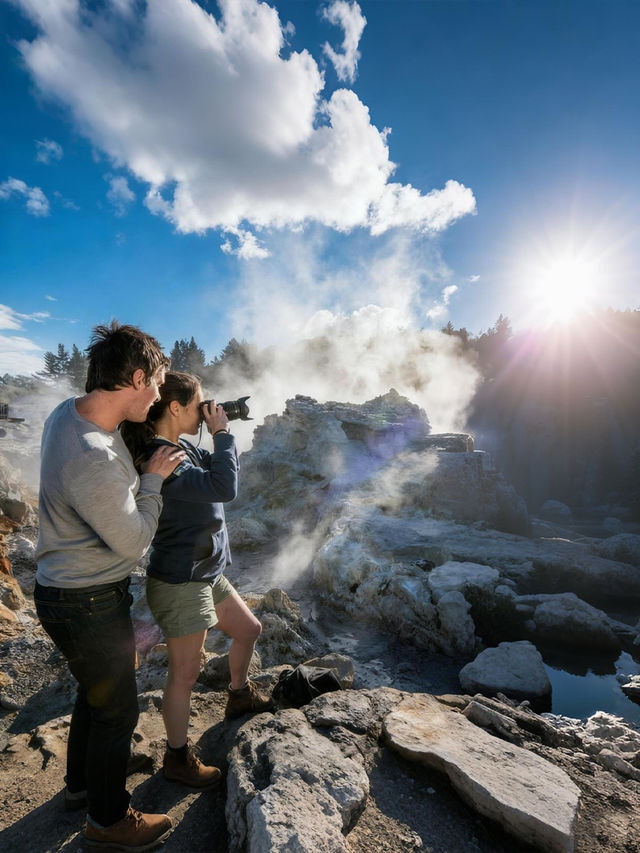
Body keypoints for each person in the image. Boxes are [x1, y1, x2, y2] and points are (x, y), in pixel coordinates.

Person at [34, 322, 186, 851]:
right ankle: (108, 820)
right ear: (138, 377)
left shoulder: (68, 413)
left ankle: (82, 786)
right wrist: (152, 482)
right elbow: (132, 544)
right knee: (118, 707)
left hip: (66, 590)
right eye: (158, 382)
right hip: (88, 598)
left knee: (94, 696)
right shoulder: (94, 456)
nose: (161, 394)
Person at [121, 371, 273, 789]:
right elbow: (224, 487)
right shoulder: (163, 458)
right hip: (181, 581)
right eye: (198, 403)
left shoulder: (183, 445)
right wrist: (222, 432)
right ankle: (177, 758)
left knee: (250, 628)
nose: (205, 409)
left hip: (206, 574)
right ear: (174, 407)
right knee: (185, 674)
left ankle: (239, 695)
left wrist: (213, 428)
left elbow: (217, 474)